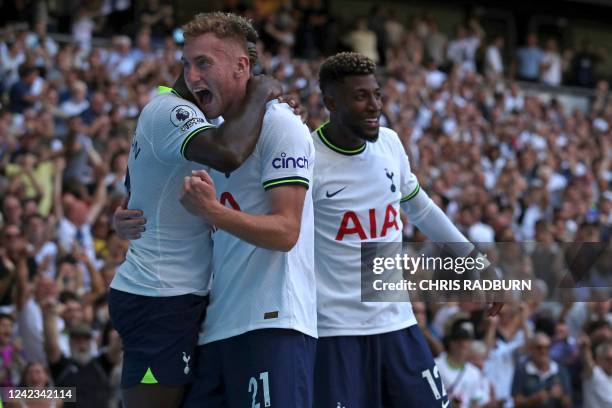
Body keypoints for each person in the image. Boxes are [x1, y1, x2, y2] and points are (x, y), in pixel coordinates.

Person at [107, 16, 284, 408]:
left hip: (179, 295)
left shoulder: (201, 116)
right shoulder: (171, 110)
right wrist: (264, 91)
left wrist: (123, 215)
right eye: (194, 63)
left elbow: (135, 189)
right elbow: (228, 154)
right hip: (158, 297)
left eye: (206, 63)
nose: (196, 73)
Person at [309, 52, 500, 407]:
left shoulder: (389, 144)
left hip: (396, 320)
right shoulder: (308, 157)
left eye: (377, 94)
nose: (374, 106)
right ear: (331, 102)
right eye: (361, 96)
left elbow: (421, 208)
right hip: (336, 329)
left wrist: (476, 261)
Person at [176, 12, 316, 407]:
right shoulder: (212, 137)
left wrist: (214, 212)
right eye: (186, 64)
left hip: (274, 324)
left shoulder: (281, 125)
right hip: (218, 328)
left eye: (204, 63)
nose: (192, 76)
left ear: (242, 66)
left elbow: (287, 231)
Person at [511, 333, 572, 408]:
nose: (543, 351)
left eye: (547, 347)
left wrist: (561, 396)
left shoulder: (560, 371)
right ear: (531, 350)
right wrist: (534, 399)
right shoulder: (521, 371)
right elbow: (516, 402)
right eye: (539, 347)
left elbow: (568, 403)